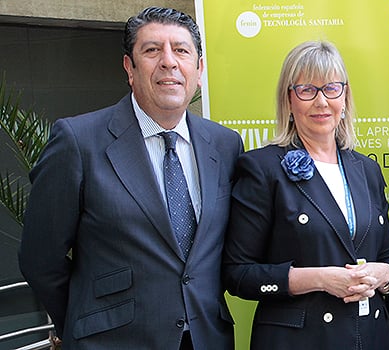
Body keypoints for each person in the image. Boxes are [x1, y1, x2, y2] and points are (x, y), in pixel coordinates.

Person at [18, 7, 242, 349]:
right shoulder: (78, 141)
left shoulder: (225, 145)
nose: (168, 62)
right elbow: (40, 260)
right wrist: (83, 326)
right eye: (152, 50)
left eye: (181, 50)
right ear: (130, 68)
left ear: (199, 69)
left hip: (205, 338)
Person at [221, 40, 389, 349]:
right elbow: (238, 274)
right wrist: (320, 279)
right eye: (307, 89)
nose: (321, 102)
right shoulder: (262, 168)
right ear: (289, 101)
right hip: (300, 340)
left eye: (331, 88)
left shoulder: (367, 170)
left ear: (344, 97)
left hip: (370, 338)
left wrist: (384, 275)